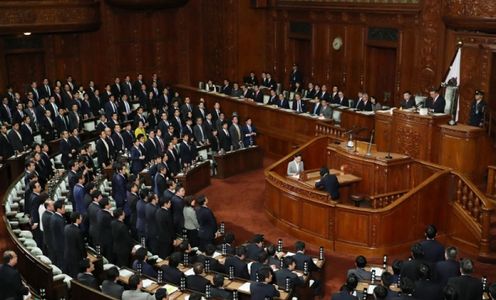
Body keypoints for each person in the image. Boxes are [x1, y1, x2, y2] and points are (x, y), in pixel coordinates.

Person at [64, 212, 86, 278]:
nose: (81, 218)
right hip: (76, 256)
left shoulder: (66, 227)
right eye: (80, 217)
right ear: (77, 219)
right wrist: (85, 256)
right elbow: (81, 246)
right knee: (76, 274)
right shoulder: (78, 231)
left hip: (68, 254)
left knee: (72, 272)